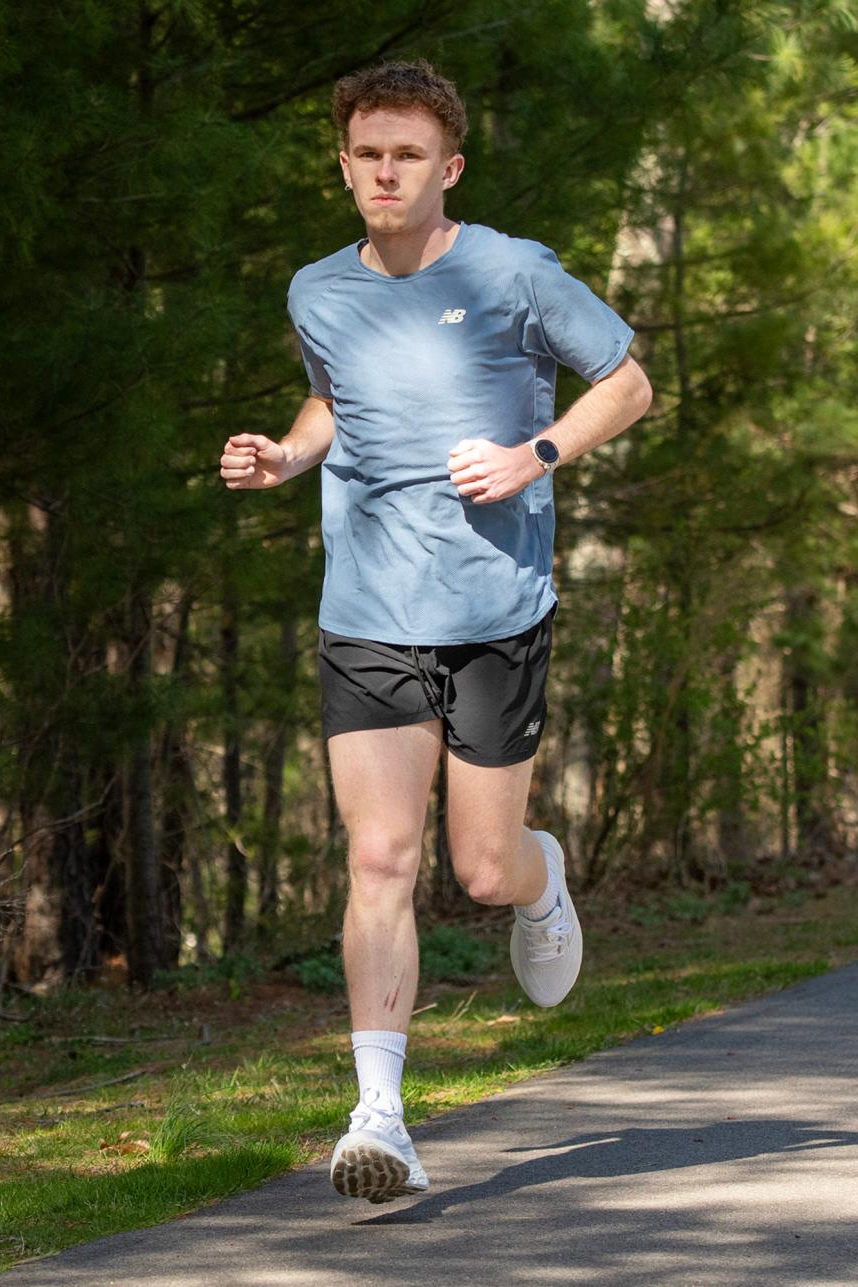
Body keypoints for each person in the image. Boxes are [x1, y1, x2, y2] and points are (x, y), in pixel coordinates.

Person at [220, 59, 652, 1205]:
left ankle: (541, 872)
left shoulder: (513, 272)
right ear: (346, 162)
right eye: (367, 153)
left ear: (446, 167)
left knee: (479, 864)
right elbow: (331, 400)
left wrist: (537, 453)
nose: (385, 172)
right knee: (379, 860)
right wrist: (287, 455)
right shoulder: (317, 289)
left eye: (407, 154)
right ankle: (379, 1119)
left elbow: (627, 381)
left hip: (495, 612)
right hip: (366, 612)